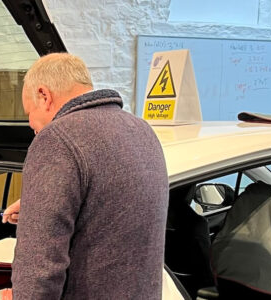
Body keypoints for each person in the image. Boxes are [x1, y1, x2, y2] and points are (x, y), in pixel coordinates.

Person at [9, 53, 169, 299]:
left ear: (44, 95)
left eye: (32, 122)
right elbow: (114, 210)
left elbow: (40, 266)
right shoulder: (141, 130)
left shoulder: (57, 139)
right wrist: (41, 204)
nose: (36, 131)